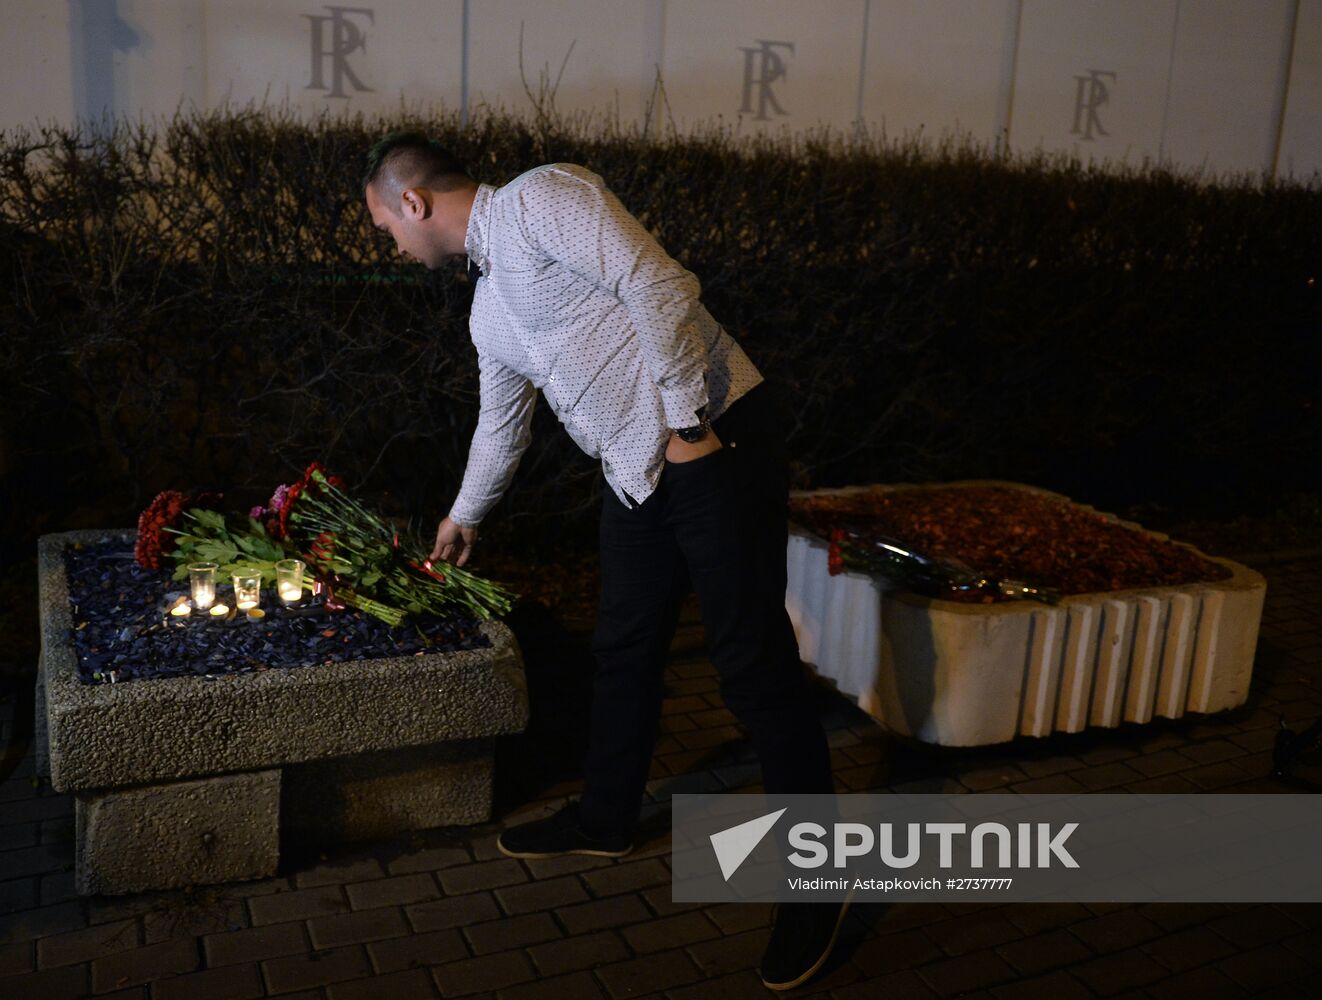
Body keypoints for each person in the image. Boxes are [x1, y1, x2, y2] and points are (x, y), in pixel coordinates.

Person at [363, 132, 846, 991]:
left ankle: (818, 878)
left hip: (714, 435)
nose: (391, 247)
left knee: (750, 660)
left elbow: (656, 281)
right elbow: (501, 425)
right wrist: (465, 514)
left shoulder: (542, 198)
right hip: (637, 471)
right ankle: (605, 817)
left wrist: (688, 422)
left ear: (413, 201)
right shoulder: (487, 310)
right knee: (622, 648)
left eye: (385, 228)